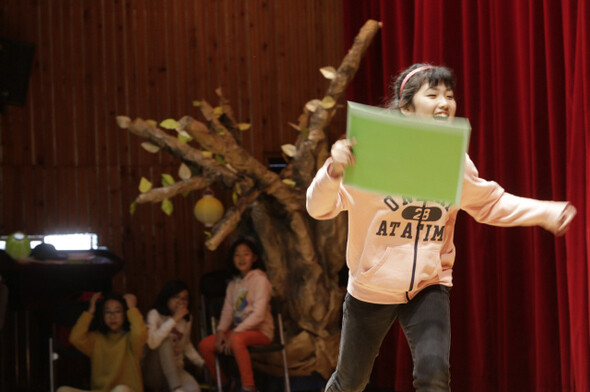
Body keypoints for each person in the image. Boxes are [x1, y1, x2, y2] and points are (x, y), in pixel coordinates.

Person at [305, 63, 577, 392]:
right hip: (371, 287)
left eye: (449, 96)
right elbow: (319, 209)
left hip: (428, 284)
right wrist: (333, 171)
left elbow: (489, 203)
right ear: (406, 108)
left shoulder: (454, 161)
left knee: (434, 375)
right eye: (432, 94)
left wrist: (543, 212)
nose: (444, 103)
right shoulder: (370, 154)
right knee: (350, 382)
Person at [198, 237, 274, 392]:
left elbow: (259, 314)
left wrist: (234, 335)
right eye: (237, 255)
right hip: (240, 332)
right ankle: (226, 383)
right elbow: (227, 311)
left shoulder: (260, 280)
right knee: (205, 345)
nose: (241, 258)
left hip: (261, 332)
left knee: (237, 340)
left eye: (245, 254)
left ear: (254, 257)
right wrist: (220, 332)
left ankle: (248, 386)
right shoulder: (233, 284)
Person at [57, 292, 148, 392]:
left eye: (117, 311)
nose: (112, 317)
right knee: (62, 390)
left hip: (126, 390)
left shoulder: (130, 338)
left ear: (124, 314)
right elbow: (75, 338)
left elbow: (139, 333)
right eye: (108, 312)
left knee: (120, 389)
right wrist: (90, 312)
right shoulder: (96, 338)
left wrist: (132, 308)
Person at [143, 280, 205, 392]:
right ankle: (177, 388)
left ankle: (176, 387)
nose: (180, 302)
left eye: (184, 299)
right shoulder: (155, 314)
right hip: (155, 372)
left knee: (194, 389)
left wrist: (201, 363)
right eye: (176, 297)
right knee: (165, 341)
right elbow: (151, 343)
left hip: (177, 370)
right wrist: (174, 319)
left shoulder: (187, 319)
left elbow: (185, 344)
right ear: (167, 298)